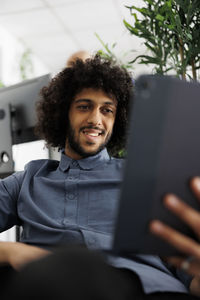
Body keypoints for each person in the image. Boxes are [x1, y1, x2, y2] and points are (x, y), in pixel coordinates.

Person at [0, 55, 198, 299]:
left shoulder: (142, 179)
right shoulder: (28, 180)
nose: (96, 120)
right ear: (64, 114)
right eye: (84, 107)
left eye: (107, 110)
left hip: (141, 288)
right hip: (46, 284)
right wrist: (10, 251)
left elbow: (189, 274)